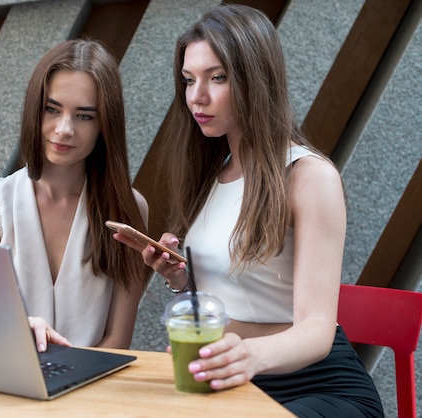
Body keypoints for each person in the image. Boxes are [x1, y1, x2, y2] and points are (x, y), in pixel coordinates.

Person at [113, 5, 383, 417]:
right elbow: (247, 288)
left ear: (256, 79)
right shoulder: (215, 171)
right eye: (189, 80)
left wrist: (247, 356)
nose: (196, 96)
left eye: (216, 78)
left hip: (317, 388)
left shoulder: (309, 176)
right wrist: (182, 276)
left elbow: (316, 331)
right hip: (233, 381)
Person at [0, 39, 149, 352]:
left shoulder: (128, 208)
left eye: (84, 116)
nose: (64, 129)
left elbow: (118, 339)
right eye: (52, 109)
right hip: (11, 383)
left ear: (105, 125)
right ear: (35, 111)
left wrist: (72, 386)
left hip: (92, 387)